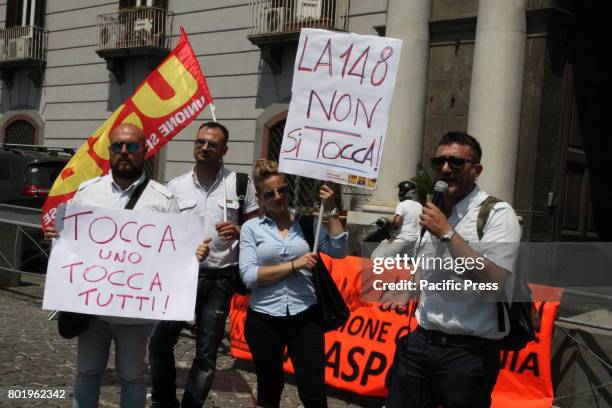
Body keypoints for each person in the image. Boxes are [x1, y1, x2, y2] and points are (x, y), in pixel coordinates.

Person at [43, 124, 210, 408]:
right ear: (109, 151)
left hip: (135, 314)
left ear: (144, 151)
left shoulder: (163, 199)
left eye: (132, 146)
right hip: (90, 308)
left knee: (132, 377)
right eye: (118, 146)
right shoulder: (87, 193)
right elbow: (71, 245)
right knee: (87, 372)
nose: (124, 152)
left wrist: (195, 253)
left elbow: (176, 251)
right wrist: (56, 241)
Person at [385, 131, 521, 408]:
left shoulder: (496, 214)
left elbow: (494, 282)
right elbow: (427, 263)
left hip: (468, 354)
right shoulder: (434, 210)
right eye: (440, 162)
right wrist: (409, 290)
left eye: (456, 163)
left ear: (476, 169)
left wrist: (447, 234)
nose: (445, 169)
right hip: (421, 341)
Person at [148, 121, 259, 408]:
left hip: (220, 278)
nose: (204, 148)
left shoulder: (240, 184)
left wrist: (239, 231)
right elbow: (164, 235)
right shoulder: (175, 186)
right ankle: (164, 400)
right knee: (160, 343)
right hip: (181, 277)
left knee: (206, 353)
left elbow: (259, 228)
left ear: (224, 150)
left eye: (212, 144)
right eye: (200, 142)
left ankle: (192, 405)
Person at [239, 159, 347, 408]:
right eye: (269, 193)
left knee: (314, 393)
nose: (278, 197)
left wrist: (331, 210)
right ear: (259, 197)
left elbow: (339, 250)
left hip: (305, 316)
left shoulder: (307, 224)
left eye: (282, 190)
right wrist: (294, 265)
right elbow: (249, 276)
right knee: (269, 390)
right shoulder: (251, 229)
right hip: (264, 318)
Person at [392, 180, 423, 244]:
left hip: (404, 239)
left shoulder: (402, 204)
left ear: (402, 192)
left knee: (384, 253)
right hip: (418, 240)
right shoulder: (420, 205)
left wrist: (392, 225)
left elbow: (397, 222)